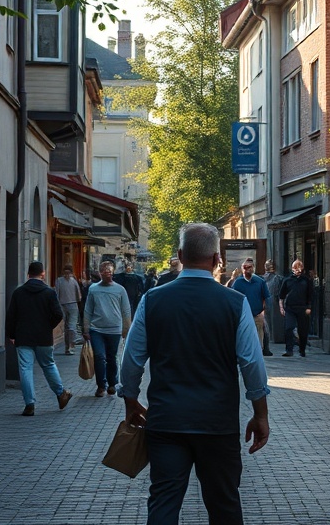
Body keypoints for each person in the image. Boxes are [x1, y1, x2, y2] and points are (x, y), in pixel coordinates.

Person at [120, 223, 269, 525]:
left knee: (163, 501)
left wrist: (130, 399)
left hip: (166, 420)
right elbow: (252, 364)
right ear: (217, 259)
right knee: (224, 503)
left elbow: (132, 360)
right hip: (217, 422)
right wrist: (260, 413)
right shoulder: (235, 303)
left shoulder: (152, 300)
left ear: (180, 255)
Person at [6, 261, 73, 416]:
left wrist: (12, 335)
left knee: (25, 368)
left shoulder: (19, 292)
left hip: (23, 336)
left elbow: (11, 316)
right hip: (43, 337)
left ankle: (29, 404)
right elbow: (58, 314)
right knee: (48, 365)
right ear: (43, 274)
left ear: (28, 274)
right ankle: (60, 393)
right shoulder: (49, 293)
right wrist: (47, 326)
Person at [83, 260, 131, 397]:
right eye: (104, 272)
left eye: (109, 271)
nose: (107, 274)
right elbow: (88, 310)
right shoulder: (93, 289)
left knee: (111, 357)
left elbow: (126, 311)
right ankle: (101, 385)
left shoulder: (120, 289)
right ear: (100, 273)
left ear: (113, 272)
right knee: (99, 356)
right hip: (96, 329)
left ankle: (112, 384)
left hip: (114, 329)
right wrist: (86, 329)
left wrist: (126, 329)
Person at [231, 258, 272, 356]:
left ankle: (259, 352)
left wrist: (263, 312)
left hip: (257, 314)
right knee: (243, 335)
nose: (246, 269)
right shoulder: (238, 282)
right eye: (244, 267)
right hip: (243, 314)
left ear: (253, 268)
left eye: (249, 267)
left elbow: (266, 297)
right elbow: (233, 298)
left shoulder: (260, 281)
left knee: (259, 336)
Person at [279, 259, 312, 357]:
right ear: (292, 269)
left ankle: (302, 350)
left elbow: (310, 295)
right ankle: (289, 350)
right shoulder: (287, 280)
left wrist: (309, 307)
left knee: (303, 330)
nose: (297, 270)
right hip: (290, 308)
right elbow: (281, 295)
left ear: (302, 268)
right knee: (289, 328)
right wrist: (281, 307)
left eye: (299, 267)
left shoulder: (306, 280)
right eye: (295, 268)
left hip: (303, 308)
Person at [55, 265, 82, 355]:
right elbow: (79, 296)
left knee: (67, 327)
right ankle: (71, 346)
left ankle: (68, 347)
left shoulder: (59, 281)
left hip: (63, 305)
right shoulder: (73, 281)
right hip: (72, 305)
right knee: (71, 326)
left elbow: (56, 294)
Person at [262, 260, 281, 352]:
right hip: (271, 300)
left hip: (268, 301)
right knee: (270, 320)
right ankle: (274, 337)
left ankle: (271, 338)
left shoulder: (275, 278)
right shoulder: (276, 278)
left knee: (268, 320)